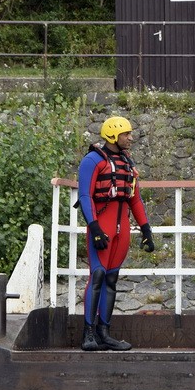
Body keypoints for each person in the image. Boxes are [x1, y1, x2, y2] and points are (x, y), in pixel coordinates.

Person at [77, 116, 155, 351]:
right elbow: (84, 196)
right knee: (98, 276)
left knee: (111, 280)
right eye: (126, 134)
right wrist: (95, 228)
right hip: (102, 227)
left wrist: (146, 229)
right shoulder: (92, 161)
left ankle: (105, 333)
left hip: (122, 230)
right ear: (113, 135)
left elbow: (135, 198)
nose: (131, 138)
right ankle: (88, 335)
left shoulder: (127, 163)